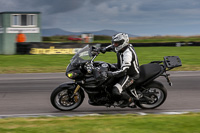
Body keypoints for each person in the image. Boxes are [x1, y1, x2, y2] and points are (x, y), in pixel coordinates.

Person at [100, 33, 140, 107]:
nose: (114, 44)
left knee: (116, 90)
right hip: (122, 69)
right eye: (114, 42)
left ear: (122, 43)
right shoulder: (121, 48)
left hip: (130, 75)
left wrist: (111, 74)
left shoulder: (127, 54)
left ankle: (130, 100)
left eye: (116, 43)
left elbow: (124, 70)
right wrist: (102, 49)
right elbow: (111, 47)